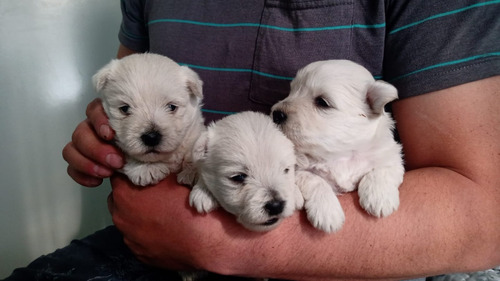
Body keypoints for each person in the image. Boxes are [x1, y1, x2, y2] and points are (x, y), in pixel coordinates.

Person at [6, 1, 500, 280]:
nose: (283, 108)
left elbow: (485, 215)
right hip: (147, 247)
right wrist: (106, 136)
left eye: (320, 102)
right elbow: (133, 91)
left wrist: (232, 246)